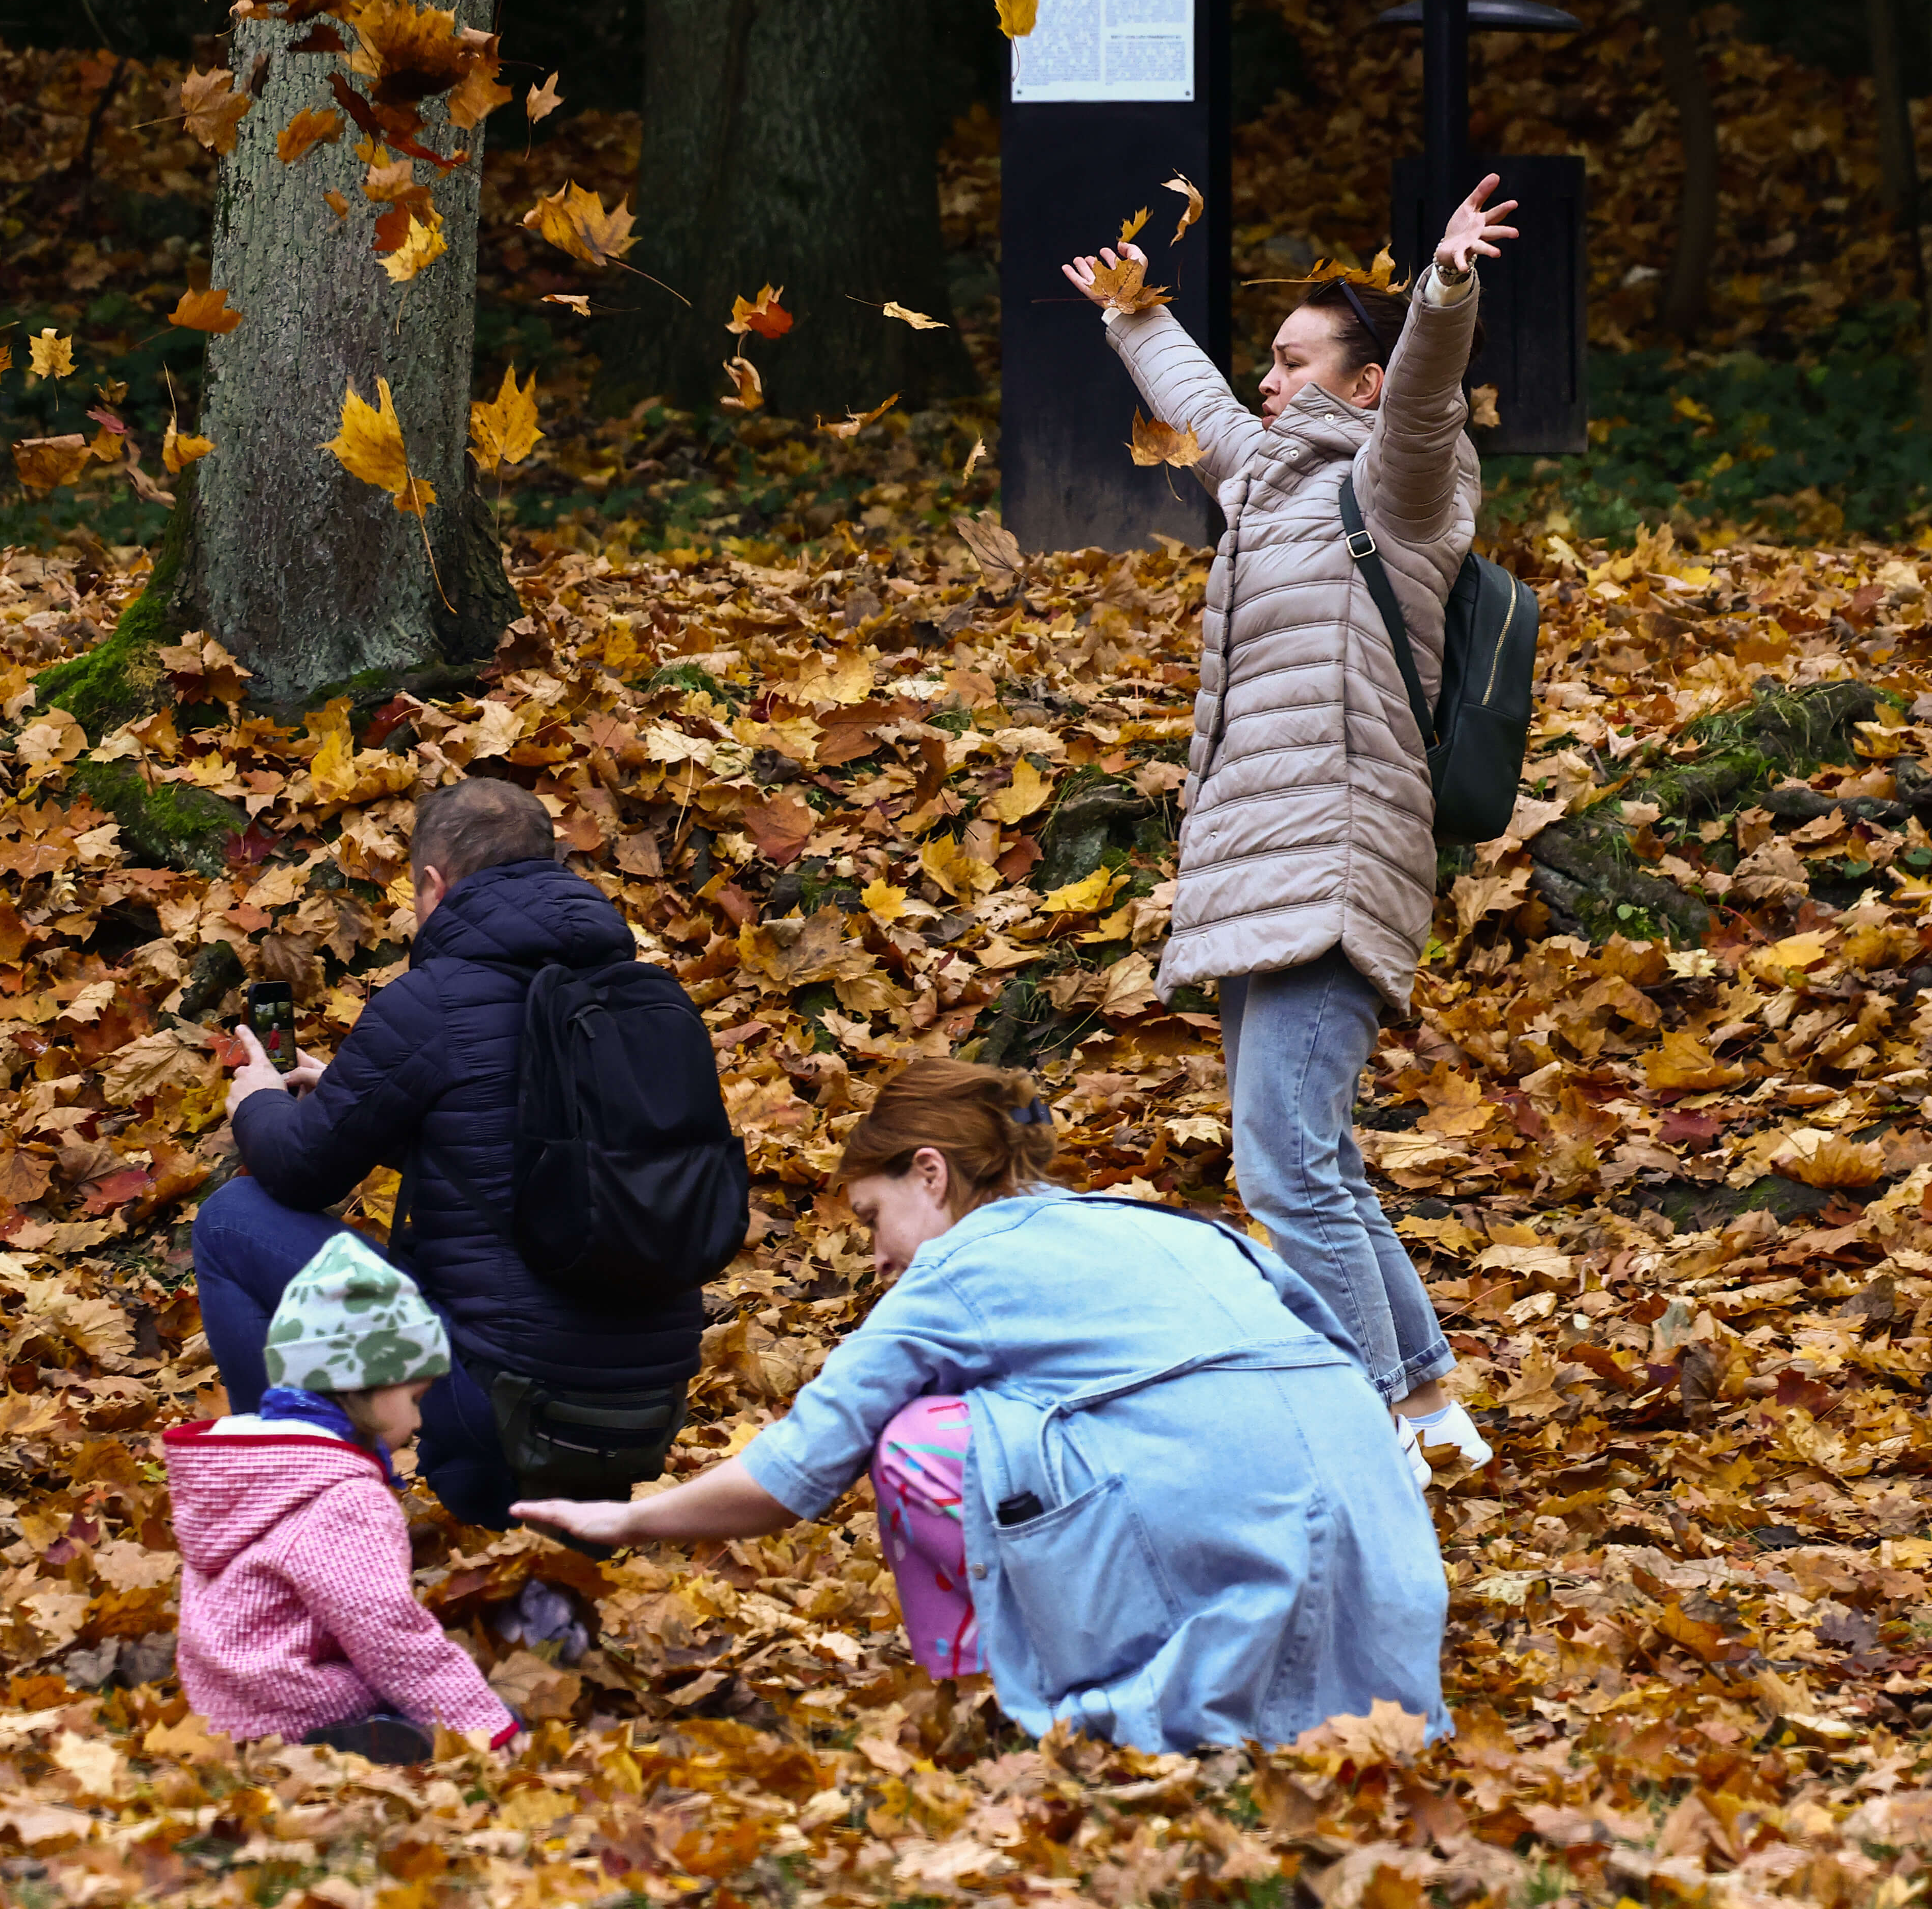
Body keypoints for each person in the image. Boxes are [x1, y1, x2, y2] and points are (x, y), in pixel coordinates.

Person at [513, 1062, 1446, 1753]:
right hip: (1387, 1581)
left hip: (1238, 1554)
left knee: (920, 1439)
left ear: (930, 1173)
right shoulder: (1168, 1221)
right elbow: (1338, 1360)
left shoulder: (958, 1266)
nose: (875, 1258)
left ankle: (992, 1698)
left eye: (872, 1217)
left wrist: (630, 1516)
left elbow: (796, 1469)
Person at [1059, 179, 1521, 1477]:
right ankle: (1426, 1403)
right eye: (1266, 357)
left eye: (1292, 359)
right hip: (1258, 857)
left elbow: (1427, 391)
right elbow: (1201, 403)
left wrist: (1442, 287)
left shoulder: (1396, 487)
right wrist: (1128, 311)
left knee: (1277, 1164)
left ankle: (1366, 1418)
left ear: (1357, 384)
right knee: (1304, 1157)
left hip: (1333, 849)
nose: (1265, 379)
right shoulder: (1267, 483)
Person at [194, 777, 702, 1534]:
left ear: (434, 886)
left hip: (495, 1410)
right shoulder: (648, 998)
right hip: (642, 1417)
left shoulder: (436, 999)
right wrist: (366, 1095)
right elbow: (531, 1162)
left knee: (233, 1221)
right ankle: (559, 1533)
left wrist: (260, 1102)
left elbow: (302, 1170)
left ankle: (293, 1507)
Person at [166, 1236, 524, 1762]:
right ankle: (358, 1740)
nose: (420, 1421)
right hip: (290, 1701)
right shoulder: (342, 1495)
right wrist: (482, 1727)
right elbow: (386, 1632)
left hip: (219, 1694)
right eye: (414, 1398)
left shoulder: (259, 1465)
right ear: (370, 1384)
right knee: (455, 1697)